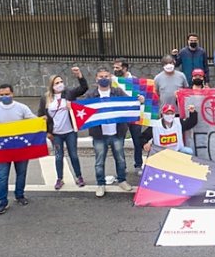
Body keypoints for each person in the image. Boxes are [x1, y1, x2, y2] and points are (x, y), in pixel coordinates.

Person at [0, 84, 36, 215]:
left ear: (12, 94)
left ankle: (20, 195)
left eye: (7, 94)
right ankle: (1, 202)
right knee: (2, 177)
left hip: (20, 148)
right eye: (2, 95)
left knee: (21, 173)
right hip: (3, 150)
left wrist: (41, 120)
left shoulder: (22, 108)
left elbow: (33, 121)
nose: (4, 97)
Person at [82, 68, 139, 197]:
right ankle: (100, 184)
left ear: (110, 78)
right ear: (96, 79)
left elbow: (128, 104)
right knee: (99, 161)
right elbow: (82, 109)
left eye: (106, 76)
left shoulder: (117, 92)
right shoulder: (91, 95)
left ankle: (122, 180)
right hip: (99, 134)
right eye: (101, 76)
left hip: (116, 132)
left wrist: (137, 100)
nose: (104, 78)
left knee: (120, 159)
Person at [37, 67, 88, 190]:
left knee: (74, 155)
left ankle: (79, 177)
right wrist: (47, 132)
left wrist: (79, 76)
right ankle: (59, 179)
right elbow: (41, 116)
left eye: (61, 82)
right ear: (51, 86)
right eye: (57, 83)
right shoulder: (46, 98)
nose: (60, 84)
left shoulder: (69, 94)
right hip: (56, 134)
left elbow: (83, 88)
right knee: (59, 156)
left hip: (70, 131)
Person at [112, 58, 146, 175]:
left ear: (125, 68)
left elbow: (145, 97)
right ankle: (122, 167)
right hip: (120, 117)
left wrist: (142, 99)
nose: (115, 69)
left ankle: (138, 165)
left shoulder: (135, 81)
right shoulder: (113, 82)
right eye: (114, 67)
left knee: (137, 141)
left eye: (117, 67)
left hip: (135, 115)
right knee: (119, 142)